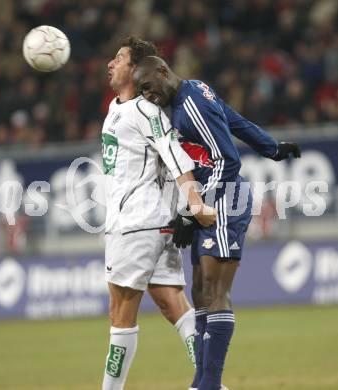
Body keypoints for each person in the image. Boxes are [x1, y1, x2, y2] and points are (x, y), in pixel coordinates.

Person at [133, 55, 301, 390]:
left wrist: (189, 211)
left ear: (163, 72)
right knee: (200, 291)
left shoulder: (191, 103)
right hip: (205, 202)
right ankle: (201, 382)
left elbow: (228, 161)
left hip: (223, 200)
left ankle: (209, 384)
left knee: (215, 290)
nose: (148, 96)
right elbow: (233, 119)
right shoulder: (193, 93)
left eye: (149, 87)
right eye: (142, 91)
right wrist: (271, 147)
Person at [101, 37, 216, 390]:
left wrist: (194, 203)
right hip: (155, 226)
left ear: (135, 70)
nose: (110, 63)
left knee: (120, 314)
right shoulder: (115, 109)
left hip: (135, 225)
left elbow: (174, 154)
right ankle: (209, 382)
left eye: (118, 59)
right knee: (172, 304)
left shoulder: (144, 112)